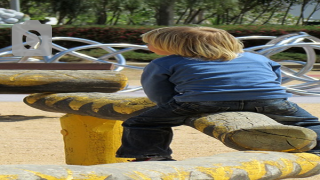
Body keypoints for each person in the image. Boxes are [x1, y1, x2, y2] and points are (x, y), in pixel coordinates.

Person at [116, 26, 320, 161]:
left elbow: (157, 91)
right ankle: (317, 150)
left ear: (172, 46)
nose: (147, 47)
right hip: (268, 100)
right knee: (310, 123)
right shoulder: (256, 58)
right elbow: (274, 79)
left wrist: (170, 107)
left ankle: (152, 155)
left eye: (150, 43)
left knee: (142, 122)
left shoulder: (165, 62)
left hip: (201, 102)